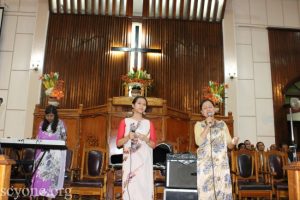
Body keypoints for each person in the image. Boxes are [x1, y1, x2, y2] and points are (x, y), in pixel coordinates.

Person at [194, 99, 239, 200]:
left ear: (214, 110)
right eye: (204, 108)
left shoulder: (222, 124)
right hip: (205, 165)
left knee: (222, 192)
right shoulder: (198, 125)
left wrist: (233, 142)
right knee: (206, 193)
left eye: (210, 106)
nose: (207, 109)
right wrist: (207, 126)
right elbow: (198, 142)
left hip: (221, 165)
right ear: (202, 113)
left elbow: (229, 145)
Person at [116, 96, 157, 200]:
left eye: (144, 104)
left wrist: (146, 139)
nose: (142, 106)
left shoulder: (149, 123)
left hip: (145, 161)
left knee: (144, 186)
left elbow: (153, 145)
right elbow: (118, 144)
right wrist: (128, 137)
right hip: (130, 161)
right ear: (133, 105)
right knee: (131, 186)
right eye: (139, 103)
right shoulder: (125, 122)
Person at [31, 105, 67, 199]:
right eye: (47, 116)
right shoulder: (42, 123)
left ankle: (49, 196)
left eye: (51, 116)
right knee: (39, 173)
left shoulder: (60, 124)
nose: (49, 118)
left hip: (55, 155)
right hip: (43, 153)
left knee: (50, 177)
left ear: (55, 115)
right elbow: (38, 138)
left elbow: (64, 138)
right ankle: (38, 195)